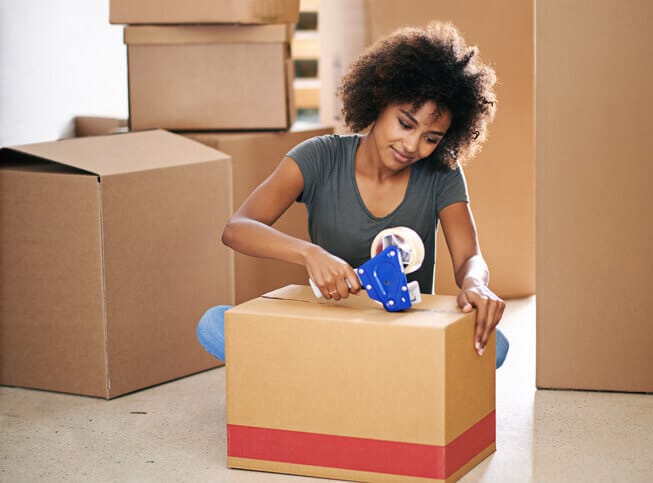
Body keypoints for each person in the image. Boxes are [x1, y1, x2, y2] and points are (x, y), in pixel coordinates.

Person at [197, 22, 509, 368]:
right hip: (329, 328)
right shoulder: (318, 157)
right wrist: (308, 254)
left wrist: (476, 283)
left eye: (431, 138)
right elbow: (237, 228)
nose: (412, 145)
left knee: (495, 345)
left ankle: (322, 378)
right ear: (379, 102)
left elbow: (468, 258)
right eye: (405, 124)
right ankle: (346, 377)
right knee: (215, 324)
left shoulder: (441, 173)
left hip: (404, 335)